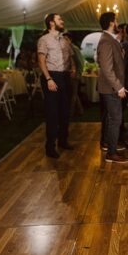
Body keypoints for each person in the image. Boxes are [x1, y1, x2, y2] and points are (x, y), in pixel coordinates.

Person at [37, 13, 75, 158]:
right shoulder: (44, 40)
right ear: (51, 23)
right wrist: (48, 79)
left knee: (65, 112)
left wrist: (73, 68)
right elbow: (41, 60)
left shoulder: (65, 40)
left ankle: (63, 140)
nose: (62, 21)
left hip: (65, 77)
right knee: (52, 113)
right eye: (60, 19)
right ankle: (50, 146)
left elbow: (70, 56)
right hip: (52, 76)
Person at [96, 11, 128, 164]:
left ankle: (111, 145)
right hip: (111, 88)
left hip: (111, 87)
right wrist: (119, 87)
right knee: (115, 119)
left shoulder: (110, 39)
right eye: (116, 20)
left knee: (112, 119)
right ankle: (111, 153)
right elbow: (107, 69)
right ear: (111, 23)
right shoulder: (106, 41)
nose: (117, 23)